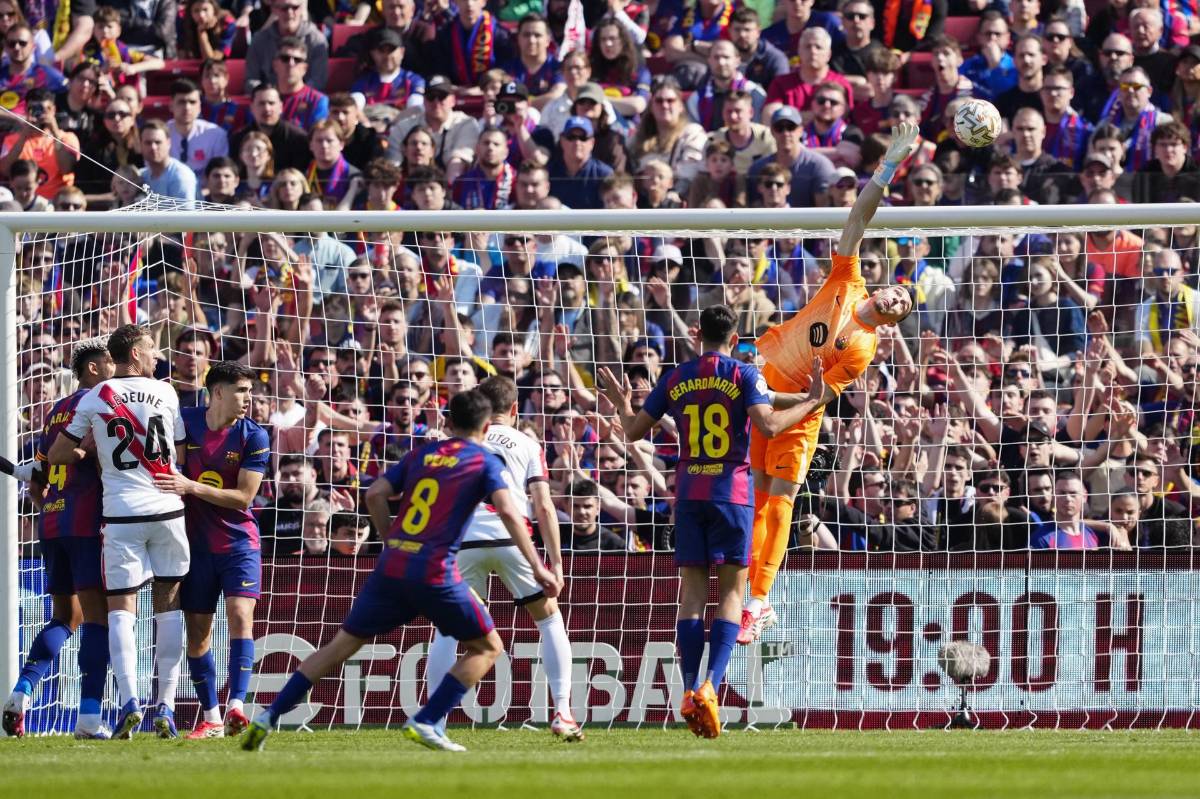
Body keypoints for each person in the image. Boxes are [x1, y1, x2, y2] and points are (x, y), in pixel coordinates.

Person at [242, 389, 557, 753]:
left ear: (448, 422)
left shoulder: (423, 453)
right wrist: (538, 565)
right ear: (487, 426)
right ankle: (426, 720)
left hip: (392, 565)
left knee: (340, 646)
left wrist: (390, 537)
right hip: (435, 570)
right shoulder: (484, 461)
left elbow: (374, 493)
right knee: (488, 647)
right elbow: (508, 512)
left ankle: (268, 716)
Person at [598, 304, 831, 738]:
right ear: (736, 335)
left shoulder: (677, 376)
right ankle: (711, 685)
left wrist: (619, 403)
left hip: (689, 495)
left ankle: (688, 688)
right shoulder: (744, 373)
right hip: (732, 496)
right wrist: (813, 400)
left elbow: (631, 432)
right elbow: (769, 423)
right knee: (731, 592)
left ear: (695, 333)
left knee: (691, 595)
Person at [740, 123, 918, 644]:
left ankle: (759, 601)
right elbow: (858, 217)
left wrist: (777, 402)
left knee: (779, 502)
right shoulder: (846, 278)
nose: (896, 301)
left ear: (894, 323)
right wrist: (886, 167)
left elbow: (819, 395)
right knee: (754, 500)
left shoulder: (862, 350)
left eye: (904, 308)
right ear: (884, 288)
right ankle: (748, 591)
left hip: (795, 414)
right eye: (898, 294)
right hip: (760, 385)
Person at [47, 324, 189, 740]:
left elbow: (58, 452)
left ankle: (128, 701)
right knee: (168, 605)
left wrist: (85, 449)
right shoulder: (166, 393)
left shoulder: (94, 397)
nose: (157, 357)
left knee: (120, 610)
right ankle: (164, 705)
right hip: (167, 507)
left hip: (121, 513)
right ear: (135, 355)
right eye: (151, 350)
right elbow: (178, 450)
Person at [423, 376, 583, 742]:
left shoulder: (457, 442)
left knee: (447, 631)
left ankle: (435, 721)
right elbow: (543, 504)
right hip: (513, 537)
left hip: (463, 540)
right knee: (548, 619)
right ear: (514, 410)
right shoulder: (527, 442)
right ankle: (562, 711)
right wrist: (555, 562)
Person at [148, 362, 269, 740]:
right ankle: (212, 717)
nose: (248, 399)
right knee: (198, 635)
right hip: (194, 547)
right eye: (241, 390)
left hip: (238, 544)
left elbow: (244, 497)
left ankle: (236, 705)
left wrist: (192, 487)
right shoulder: (184, 422)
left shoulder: (254, 436)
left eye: (250, 391)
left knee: (239, 614)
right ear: (217, 392)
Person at [2, 338, 114, 739]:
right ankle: (88, 718)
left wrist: (48, 500)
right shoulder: (101, 403)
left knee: (67, 618)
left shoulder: (54, 413)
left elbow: (38, 482)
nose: (114, 366)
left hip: (53, 524)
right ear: (93, 369)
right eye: (108, 361)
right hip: (88, 523)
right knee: (99, 618)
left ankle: (22, 690)